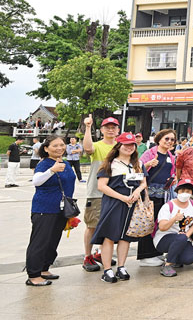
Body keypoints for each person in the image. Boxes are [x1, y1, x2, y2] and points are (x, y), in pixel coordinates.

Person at [92, 132, 148, 283]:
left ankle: (121, 266)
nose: (129, 147)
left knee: (125, 236)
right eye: (126, 145)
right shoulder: (110, 164)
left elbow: (143, 183)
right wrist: (122, 198)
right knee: (110, 235)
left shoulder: (138, 164)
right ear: (118, 146)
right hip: (114, 203)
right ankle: (107, 270)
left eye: (132, 145)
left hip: (133, 204)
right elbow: (102, 186)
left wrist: (137, 191)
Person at [25, 136, 76, 286]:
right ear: (46, 148)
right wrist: (52, 171)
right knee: (40, 241)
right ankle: (34, 275)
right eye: (55, 145)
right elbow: (36, 181)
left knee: (52, 241)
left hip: (61, 209)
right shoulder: (44, 164)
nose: (60, 148)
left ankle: (44, 268)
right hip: (45, 208)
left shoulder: (65, 163)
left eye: (62, 145)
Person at [81, 115, 119, 272]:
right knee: (92, 225)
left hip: (116, 193)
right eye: (107, 127)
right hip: (96, 192)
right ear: (102, 130)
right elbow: (88, 148)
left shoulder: (121, 147)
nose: (110, 130)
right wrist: (88, 127)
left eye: (113, 127)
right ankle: (87, 256)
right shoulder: (97, 146)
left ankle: (101, 253)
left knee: (110, 225)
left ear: (118, 130)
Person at [136, 129, 178, 267]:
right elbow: (136, 169)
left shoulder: (171, 156)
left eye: (172, 139)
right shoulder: (150, 153)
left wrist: (172, 179)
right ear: (159, 139)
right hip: (149, 194)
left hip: (163, 194)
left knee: (157, 223)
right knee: (148, 223)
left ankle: (155, 252)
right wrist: (148, 164)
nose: (169, 142)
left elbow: (171, 172)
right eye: (167, 138)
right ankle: (145, 256)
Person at [154, 179, 193, 277]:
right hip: (164, 238)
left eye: (188, 191)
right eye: (182, 191)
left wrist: (186, 236)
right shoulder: (168, 206)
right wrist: (174, 219)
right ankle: (167, 265)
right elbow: (162, 227)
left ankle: (173, 256)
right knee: (181, 238)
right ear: (177, 191)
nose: (185, 193)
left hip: (182, 238)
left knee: (189, 259)